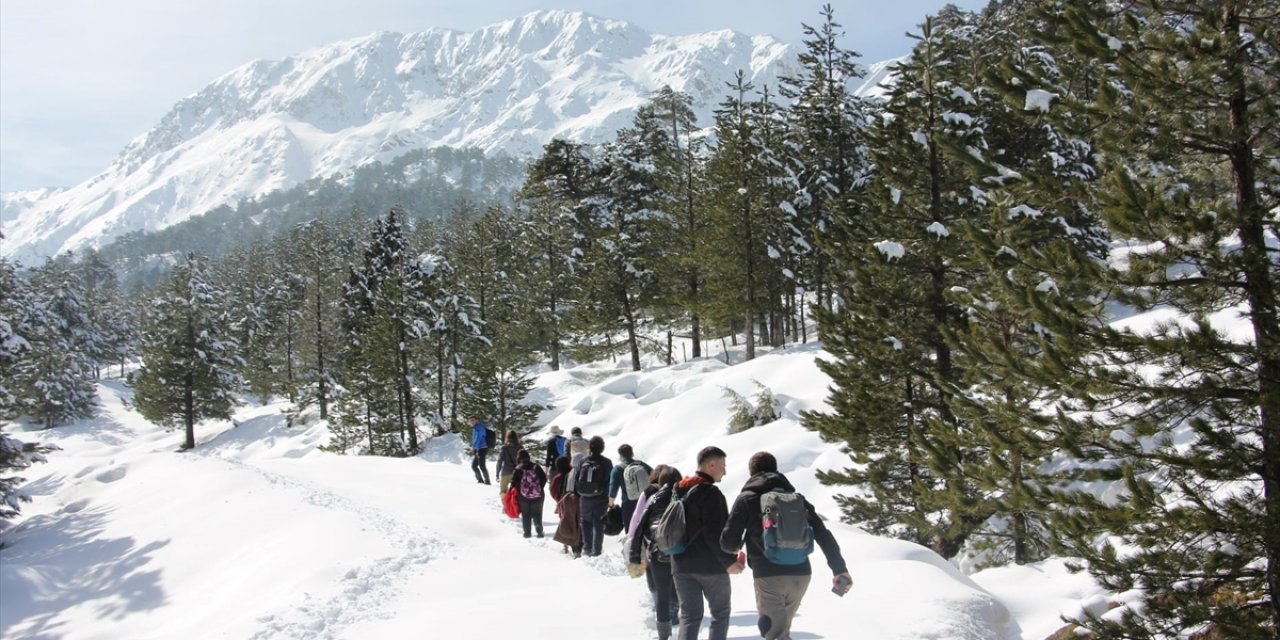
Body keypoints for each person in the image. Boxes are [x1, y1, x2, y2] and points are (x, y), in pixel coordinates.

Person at [720, 451, 852, 640]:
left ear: (751, 473)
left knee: (772, 632)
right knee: (782, 632)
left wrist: (735, 551)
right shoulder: (797, 499)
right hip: (801, 574)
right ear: (776, 470)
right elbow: (823, 534)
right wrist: (839, 569)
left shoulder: (747, 499)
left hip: (768, 576)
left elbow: (728, 542)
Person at [670, 446, 742, 640]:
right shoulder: (711, 494)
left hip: (680, 564)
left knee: (689, 617)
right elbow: (714, 534)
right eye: (722, 465)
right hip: (711, 567)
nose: (725, 471)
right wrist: (728, 562)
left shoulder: (678, 489)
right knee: (720, 614)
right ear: (711, 464)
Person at [628, 464, 683, 640]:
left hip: (657, 551)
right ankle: (677, 616)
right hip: (681, 552)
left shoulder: (652, 498)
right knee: (679, 588)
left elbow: (638, 525)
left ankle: (663, 634)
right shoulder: (686, 498)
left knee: (662, 593)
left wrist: (635, 555)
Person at [572, 435, 613, 557]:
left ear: (589, 447)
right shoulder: (606, 462)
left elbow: (576, 479)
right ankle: (597, 551)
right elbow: (609, 481)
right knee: (598, 524)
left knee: (585, 522)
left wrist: (577, 494)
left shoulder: (583, 461)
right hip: (601, 497)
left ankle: (587, 548)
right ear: (602, 448)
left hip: (584, 497)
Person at [610, 444, 653, 528]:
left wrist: (610, 504)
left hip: (628, 504)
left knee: (630, 531)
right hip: (645, 500)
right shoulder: (641, 464)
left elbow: (613, 490)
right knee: (647, 528)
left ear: (620, 455)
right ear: (632, 453)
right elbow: (655, 476)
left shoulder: (617, 469)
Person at [510, 448, 548, 538]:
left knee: (526, 514)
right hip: (538, 495)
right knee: (537, 513)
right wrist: (539, 488)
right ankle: (539, 530)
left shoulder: (518, 469)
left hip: (523, 496)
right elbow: (544, 478)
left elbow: (513, 483)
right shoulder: (536, 467)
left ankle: (527, 533)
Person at [551, 455, 582, 557]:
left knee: (566, 523)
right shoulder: (576, 473)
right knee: (576, 524)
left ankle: (567, 544)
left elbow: (554, 491)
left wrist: (559, 500)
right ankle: (576, 547)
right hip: (577, 503)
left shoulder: (558, 478)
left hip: (564, 503)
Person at [495, 430, 521, 494]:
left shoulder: (504, 448)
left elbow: (499, 461)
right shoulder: (520, 448)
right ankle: (515, 503)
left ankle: (505, 503)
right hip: (518, 473)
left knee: (503, 492)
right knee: (518, 492)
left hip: (506, 472)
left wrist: (497, 473)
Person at [469, 416, 491, 485]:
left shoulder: (480, 427)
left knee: (482, 465)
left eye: (473, 420)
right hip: (478, 448)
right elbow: (475, 439)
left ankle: (487, 481)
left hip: (482, 448)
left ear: (476, 420)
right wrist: (474, 448)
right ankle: (480, 480)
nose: (472, 422)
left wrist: (474, 447)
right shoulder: (475, 428)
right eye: (470, 421)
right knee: (474, 466)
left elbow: (479, 438)